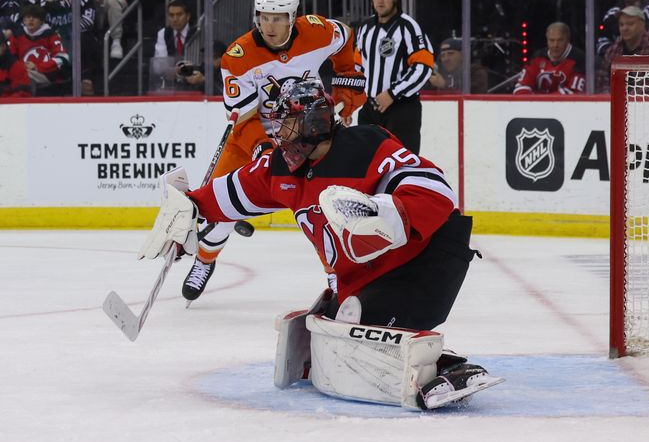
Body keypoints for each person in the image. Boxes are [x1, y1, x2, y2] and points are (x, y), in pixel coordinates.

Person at [138, 79, 501, 410]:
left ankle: (450, 368)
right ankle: (414, 350)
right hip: (367, 276)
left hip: (427, 260)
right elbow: (234, 190)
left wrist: (387, 212)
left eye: (288, 122)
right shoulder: (282, 166)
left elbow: (435, 188)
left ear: (314, 122)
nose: (279, 133)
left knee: (353, 328)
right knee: (328, 330)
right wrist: (189, 209)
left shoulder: (366, 145)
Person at [179, 0, 366, 303]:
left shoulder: (318, 32)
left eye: (278, 18)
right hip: (253, 135)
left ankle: (338, 278)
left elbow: (346, 38)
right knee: (224, 204)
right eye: (264, 17)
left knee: (319, 211)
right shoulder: (238, 57)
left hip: (309, 136)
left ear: (293, 17)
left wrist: (348, 82)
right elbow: (244, 117)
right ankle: (205, 260)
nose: (270, 25)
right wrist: (261, 148)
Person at [355, 0, 434, 155]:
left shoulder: (408, 27)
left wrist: (393, 93)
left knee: (402, 164)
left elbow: (423, 67)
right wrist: (349, 101)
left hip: (402, 109)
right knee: (366, 163)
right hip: (370, 109)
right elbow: (356, 66)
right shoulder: (365, 28)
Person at [41, 0, 98, 95]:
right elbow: (41, 21)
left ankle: (84, 78)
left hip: (77, 37)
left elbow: (89, 20)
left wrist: (66, 31)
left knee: (79, 37)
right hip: (54, 38)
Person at [595, 6, 649, 93]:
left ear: (642, 25)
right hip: (615, 101)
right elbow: (602, 79)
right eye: (621, 25)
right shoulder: (614, 49)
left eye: (630, 24)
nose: (625, 28)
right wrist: (610, 96)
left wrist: (629, 97)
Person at [8, 4, 69, 94]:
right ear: (24, 20)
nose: (31, 20)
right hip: (22, 73)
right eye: (28, 17)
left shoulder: (51, 35)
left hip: (47, 76)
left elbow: (63, 58)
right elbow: (9, 58)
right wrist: (20, 67)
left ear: (41, 21)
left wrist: (37, 67)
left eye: (35, 17)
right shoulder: (17, 36)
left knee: (25, 75)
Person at [513, 22, 585, 95]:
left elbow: (573, 93)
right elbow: (520, 88)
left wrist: (541, 101)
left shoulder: (578, 59)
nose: (555, 45)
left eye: (560, 40)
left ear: (568, 40)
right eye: (551, 40)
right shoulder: (538, 57)